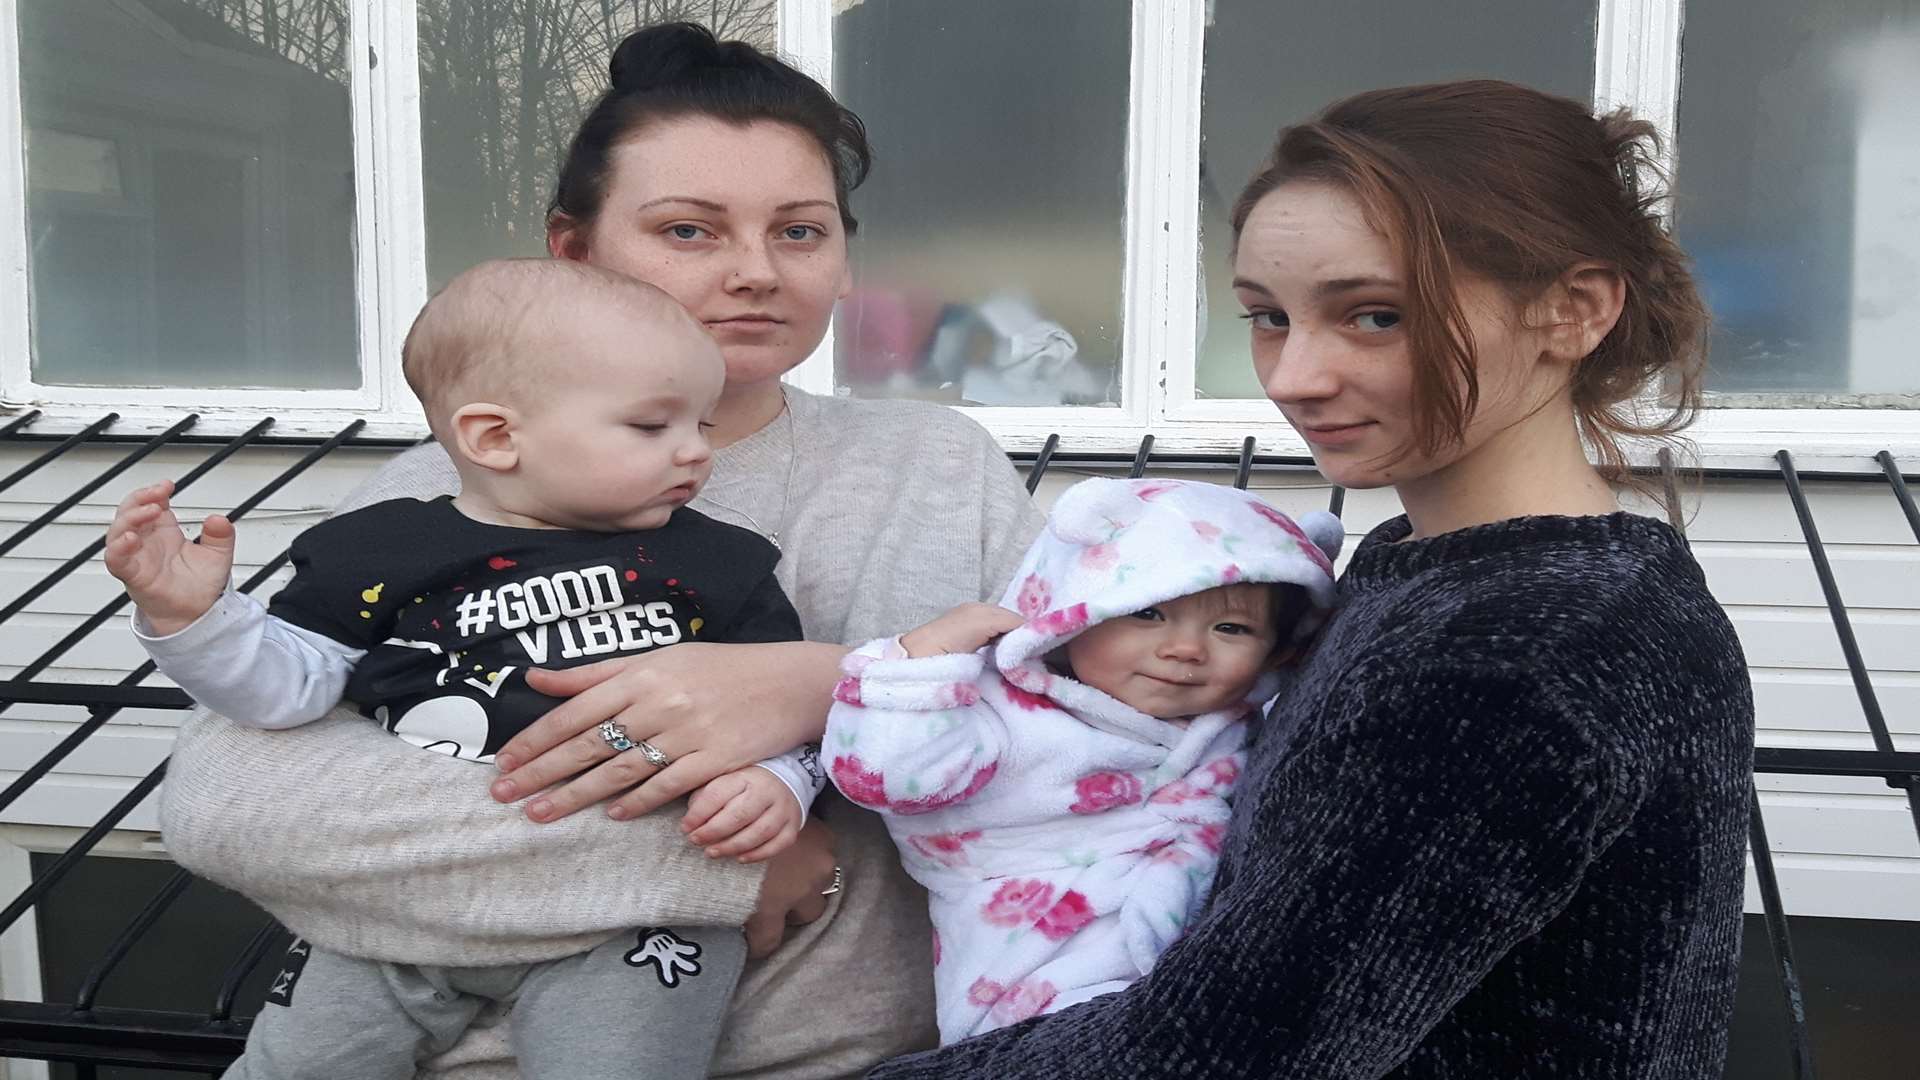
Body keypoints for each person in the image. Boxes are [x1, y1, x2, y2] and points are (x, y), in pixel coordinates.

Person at [156, 23, 1043, 1079]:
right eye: (688, 231)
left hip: (860, 1058)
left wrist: (825, 685)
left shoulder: (936, 467)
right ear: (573, 250)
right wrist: (719, 870)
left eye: (800, 232)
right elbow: (233, 806)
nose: (756, 272)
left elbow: (1081, 736)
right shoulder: (445, 495)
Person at [871, 80, 1754, 1079]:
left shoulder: (1519, 648)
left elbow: (1224, 1055)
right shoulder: (1452, 578)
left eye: (1373, 317)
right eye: (1268, 317)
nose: (1293, 376)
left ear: (1572, 311)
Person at [111, 261, 823, 1078]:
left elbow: (789, 707)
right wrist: (193, 618)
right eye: (652, 427)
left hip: (629, 923)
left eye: (700, 424)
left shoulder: (720, 564)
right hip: (395, 917)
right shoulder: (378, 553)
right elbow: (283, 694)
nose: (695, 453)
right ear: (495, 437)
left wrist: (781, 783)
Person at [824, 477, 1342, 1041]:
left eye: (1231, 628)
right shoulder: (999, 714)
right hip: (1034, 972)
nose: (1186, 649)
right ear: (1070, 615)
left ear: (1280, 649)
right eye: (1148, 613)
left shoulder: (1238, 724)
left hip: (1197, 965)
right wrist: (919, 666)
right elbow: (885, 776)